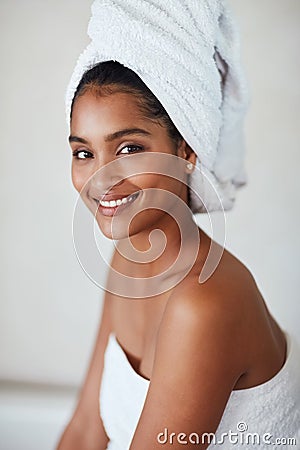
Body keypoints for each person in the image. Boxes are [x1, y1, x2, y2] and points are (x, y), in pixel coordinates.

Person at [56, 2, 300, 450]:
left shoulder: (206, 302)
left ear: (185, 151)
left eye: (128, 149)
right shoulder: (126, 260)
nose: (101, 179)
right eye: (84, 153)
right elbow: (86, 430)